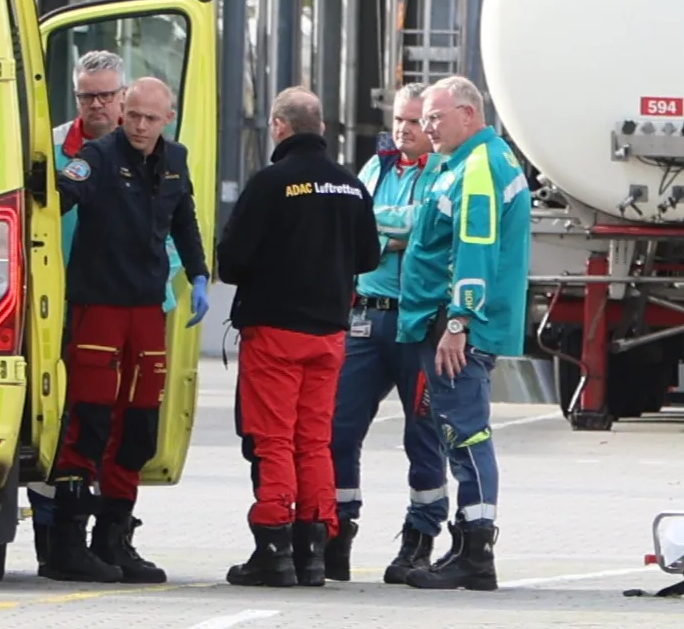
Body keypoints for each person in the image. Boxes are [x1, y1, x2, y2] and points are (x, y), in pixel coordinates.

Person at [45, 75, 208, 584]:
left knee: (138, 424)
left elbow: (185, 220)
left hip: (147, 310)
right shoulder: (97, 155)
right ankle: (68, 541)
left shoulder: (175, 161)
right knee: (89, 418)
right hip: (99, 306)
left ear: (168, 118)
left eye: (150, 118)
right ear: (122, 113)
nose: (139, 125)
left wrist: (201, 274)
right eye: (132, 114)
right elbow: (62, 194)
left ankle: (116, 539)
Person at [216, 87, 377, 587]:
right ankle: (313, 548)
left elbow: (233, 261)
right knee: (314, 441)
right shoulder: (351, 186)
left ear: (280, 127)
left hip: (275, 333)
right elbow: (369, 258)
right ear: (322, 129)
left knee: (273, 439)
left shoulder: (270, 183)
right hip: (329, 334)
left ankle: (273, 545)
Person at [397, 74, 532, 591]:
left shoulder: (476, 169)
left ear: (468, 115)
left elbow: (474, 252)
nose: (427, 127)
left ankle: (475, 550)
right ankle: (468, 546)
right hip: (453, 324)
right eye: (424, 118)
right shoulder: (470, 163)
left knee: (466, 433)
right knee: (460, 432)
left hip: (457, 329)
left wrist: (458, 322)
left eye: (435, 116)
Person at [326, 83, 446, 583]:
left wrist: (392, 230)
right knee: (337, 429)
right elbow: (357, 222)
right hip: (364, 317)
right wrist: (396, 232)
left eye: (415, 121)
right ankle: (336, 530)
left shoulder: (443, 170)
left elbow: (428, 226)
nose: (404, 130)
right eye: (399, 119)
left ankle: (419, 538)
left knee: (422, 435)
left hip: (418, 323)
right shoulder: (375, 167)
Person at [32, 50, 132, 570]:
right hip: (57, 307)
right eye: (85, 95)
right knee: (60, 420)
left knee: (116, 423)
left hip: (118, 306)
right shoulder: (49, 149)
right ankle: (55, 539)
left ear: (123, 97)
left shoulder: (142, 151)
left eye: (105, 95)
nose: (95, 104)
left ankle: (110, 534)